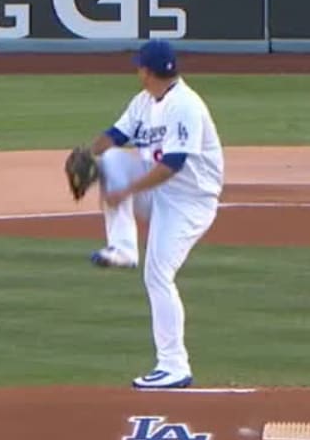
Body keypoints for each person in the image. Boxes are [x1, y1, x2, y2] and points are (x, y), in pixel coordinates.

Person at [82, 40, 225, 391]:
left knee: (158, 274)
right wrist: (87, 154)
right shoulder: (144, 102)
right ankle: (123, 248)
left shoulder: (186, 105)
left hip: (190, 201)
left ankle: (174, 367)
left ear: (148, 71)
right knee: (113, 159)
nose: (137, 72)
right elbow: (115, 136)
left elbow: (173, 165)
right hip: (159, 192)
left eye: (139, 67)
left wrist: (125, 192)